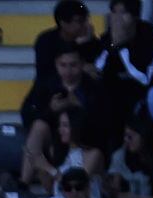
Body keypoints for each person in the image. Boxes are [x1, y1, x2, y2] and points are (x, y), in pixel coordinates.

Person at [20, 44, 108, 186]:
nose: (68, 71)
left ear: (82, 64)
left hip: (85, 141)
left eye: (73, 65)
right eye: (63, 65)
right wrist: (50, 110)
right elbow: (27, 113)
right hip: (55, 139)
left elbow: (103, 123)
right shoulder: (47, 83)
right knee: (38, 126)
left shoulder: (94, 86)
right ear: (56, 64)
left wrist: (79, 106)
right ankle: (23, 184)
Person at [95, 0, 153, 142]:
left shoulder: (151, 35)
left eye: (123, 13)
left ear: (135, 16)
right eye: (114, 12)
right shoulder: (109, 36)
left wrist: (121, 48)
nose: (117, 18)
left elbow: (145, 78)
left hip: (147, 90)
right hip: (119, 91)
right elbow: (98, 68)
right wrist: (113, 45)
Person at [33, 0, 101, 85]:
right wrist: (79, 70)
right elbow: (45, 74)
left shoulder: (92, 41)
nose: (85, 25)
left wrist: (85, 44)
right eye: (79, 21)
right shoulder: (46, 41)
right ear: (63, 23)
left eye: (86, 20)